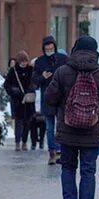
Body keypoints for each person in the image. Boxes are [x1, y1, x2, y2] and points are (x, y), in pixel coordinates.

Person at [43, 36, 99, 199]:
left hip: (68, 130)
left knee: (67, 168)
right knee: (88, 172)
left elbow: (49, 99)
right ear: (96, 53)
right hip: (93, 131)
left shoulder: (63, 72)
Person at [33, 36, 67, 165]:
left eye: (51, 48)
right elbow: (34, 81)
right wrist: (42, 77)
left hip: (61, 97)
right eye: (47, 49)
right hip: (47, 98)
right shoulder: (40, 62)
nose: (49, 50)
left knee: (60, 126)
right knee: (49, 127)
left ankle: (59, 151)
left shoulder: (63, 59)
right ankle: (52, 151)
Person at [4, 51, 37, 151]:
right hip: (17, 101)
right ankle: (17, 142)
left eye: (25, 61)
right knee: (18, 123)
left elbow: (35, 82)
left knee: (27, 122)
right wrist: (13, 91)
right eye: (22, 61)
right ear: (18, 61)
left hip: (28, 100)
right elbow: (6, 85)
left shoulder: (31, 70)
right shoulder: (13, 71)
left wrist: (32, 89)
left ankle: (24, 142)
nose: (24, 63)